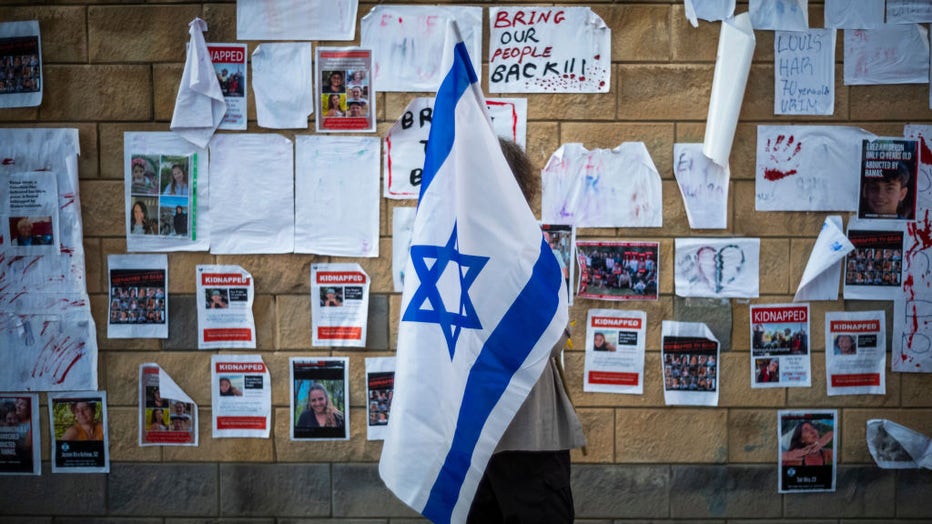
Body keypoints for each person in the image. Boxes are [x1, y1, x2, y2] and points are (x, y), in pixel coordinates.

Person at [466, 139, 585, 524]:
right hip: (529, 433)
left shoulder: (448, 250)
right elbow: (551, 340)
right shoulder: (535, 252)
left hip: (469, 436)